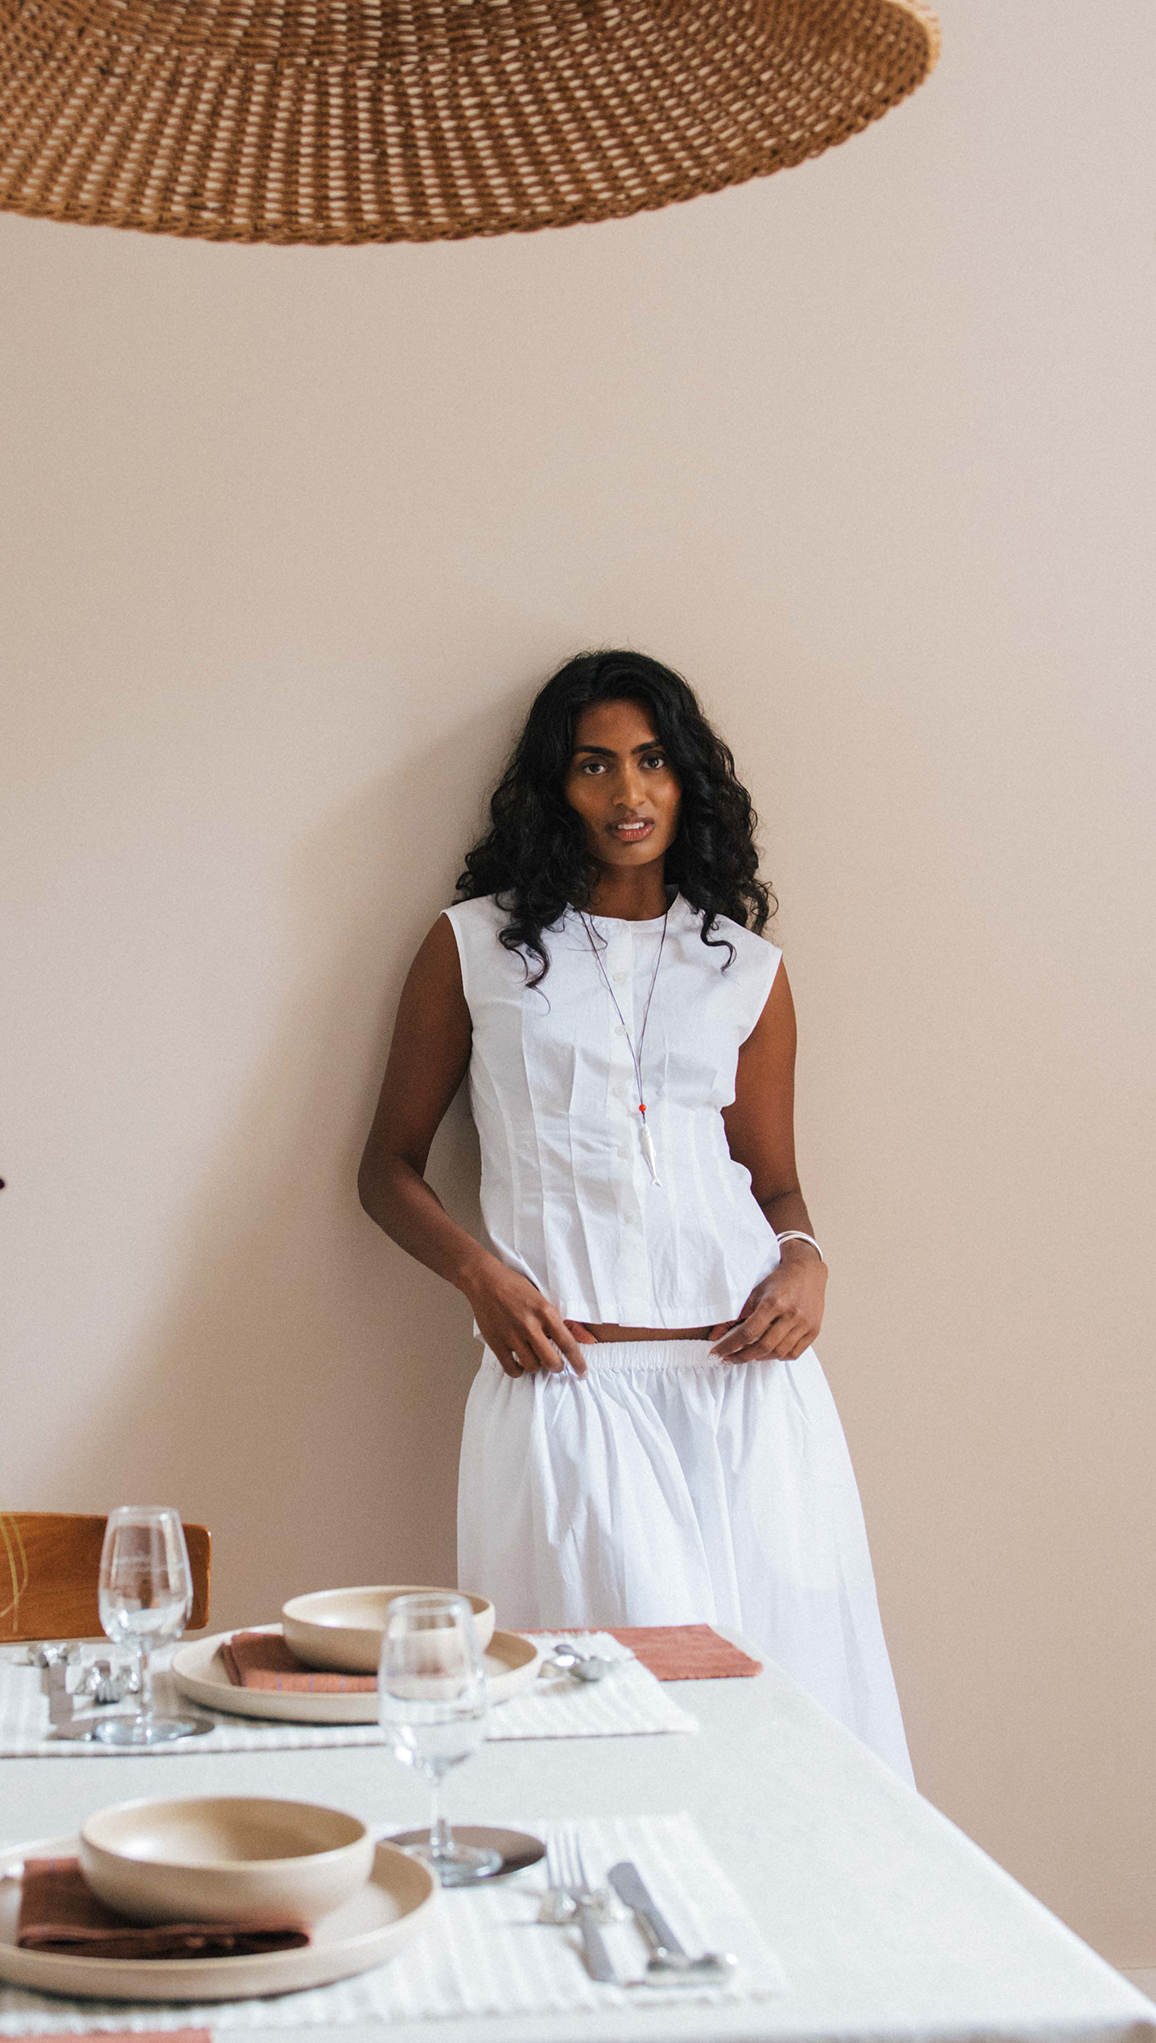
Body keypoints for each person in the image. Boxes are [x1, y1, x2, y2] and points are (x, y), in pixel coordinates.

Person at [357, 650, 911, 1779]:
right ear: (552, 788)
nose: (627, 792)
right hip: (569, 1384)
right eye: (594, 765)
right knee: (607, 1741)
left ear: (686, 780)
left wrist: (805, 1261)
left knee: (784, 1725)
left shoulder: (745, 969)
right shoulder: (473, 947)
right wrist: (477, 1275)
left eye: (652, 761)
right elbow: (385, 1168)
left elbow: (773, 1185)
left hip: (747, 1388)